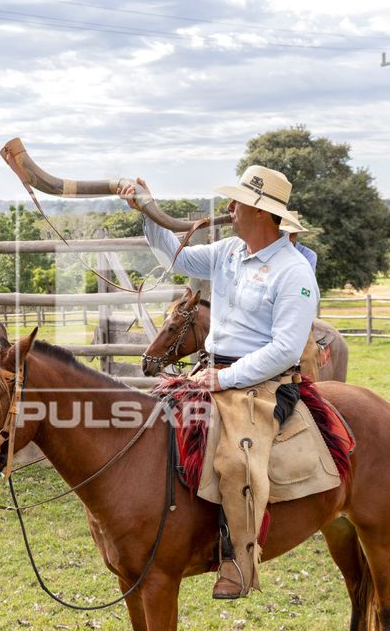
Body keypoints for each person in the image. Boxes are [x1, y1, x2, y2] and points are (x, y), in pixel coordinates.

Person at [119, 166, 319, 599]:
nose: (229, 208)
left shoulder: (294, 272)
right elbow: (176, 259)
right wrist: (147, 211)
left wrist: (225, 377)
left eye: (237, 203)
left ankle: (238, 561)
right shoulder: (228, 250)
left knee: (235, 461)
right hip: (211, 371)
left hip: (266, 382)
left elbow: (285, 349)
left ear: (261, 213)